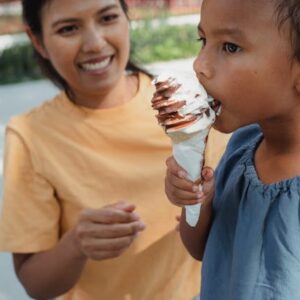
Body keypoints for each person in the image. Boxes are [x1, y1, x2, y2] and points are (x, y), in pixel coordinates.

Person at [0, 0, 230, 299]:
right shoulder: (30, 136)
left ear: (126, 18)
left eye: (107, 17)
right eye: (68, 28)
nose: (95, 44)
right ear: (38, 41)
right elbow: (36, 284)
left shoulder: (192, 109)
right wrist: (76, 244)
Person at [165, 0, 300, 299]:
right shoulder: (241, 148)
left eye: (230, 47)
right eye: (203, 40)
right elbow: (202, 249)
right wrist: (197, 199)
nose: (199, 65)